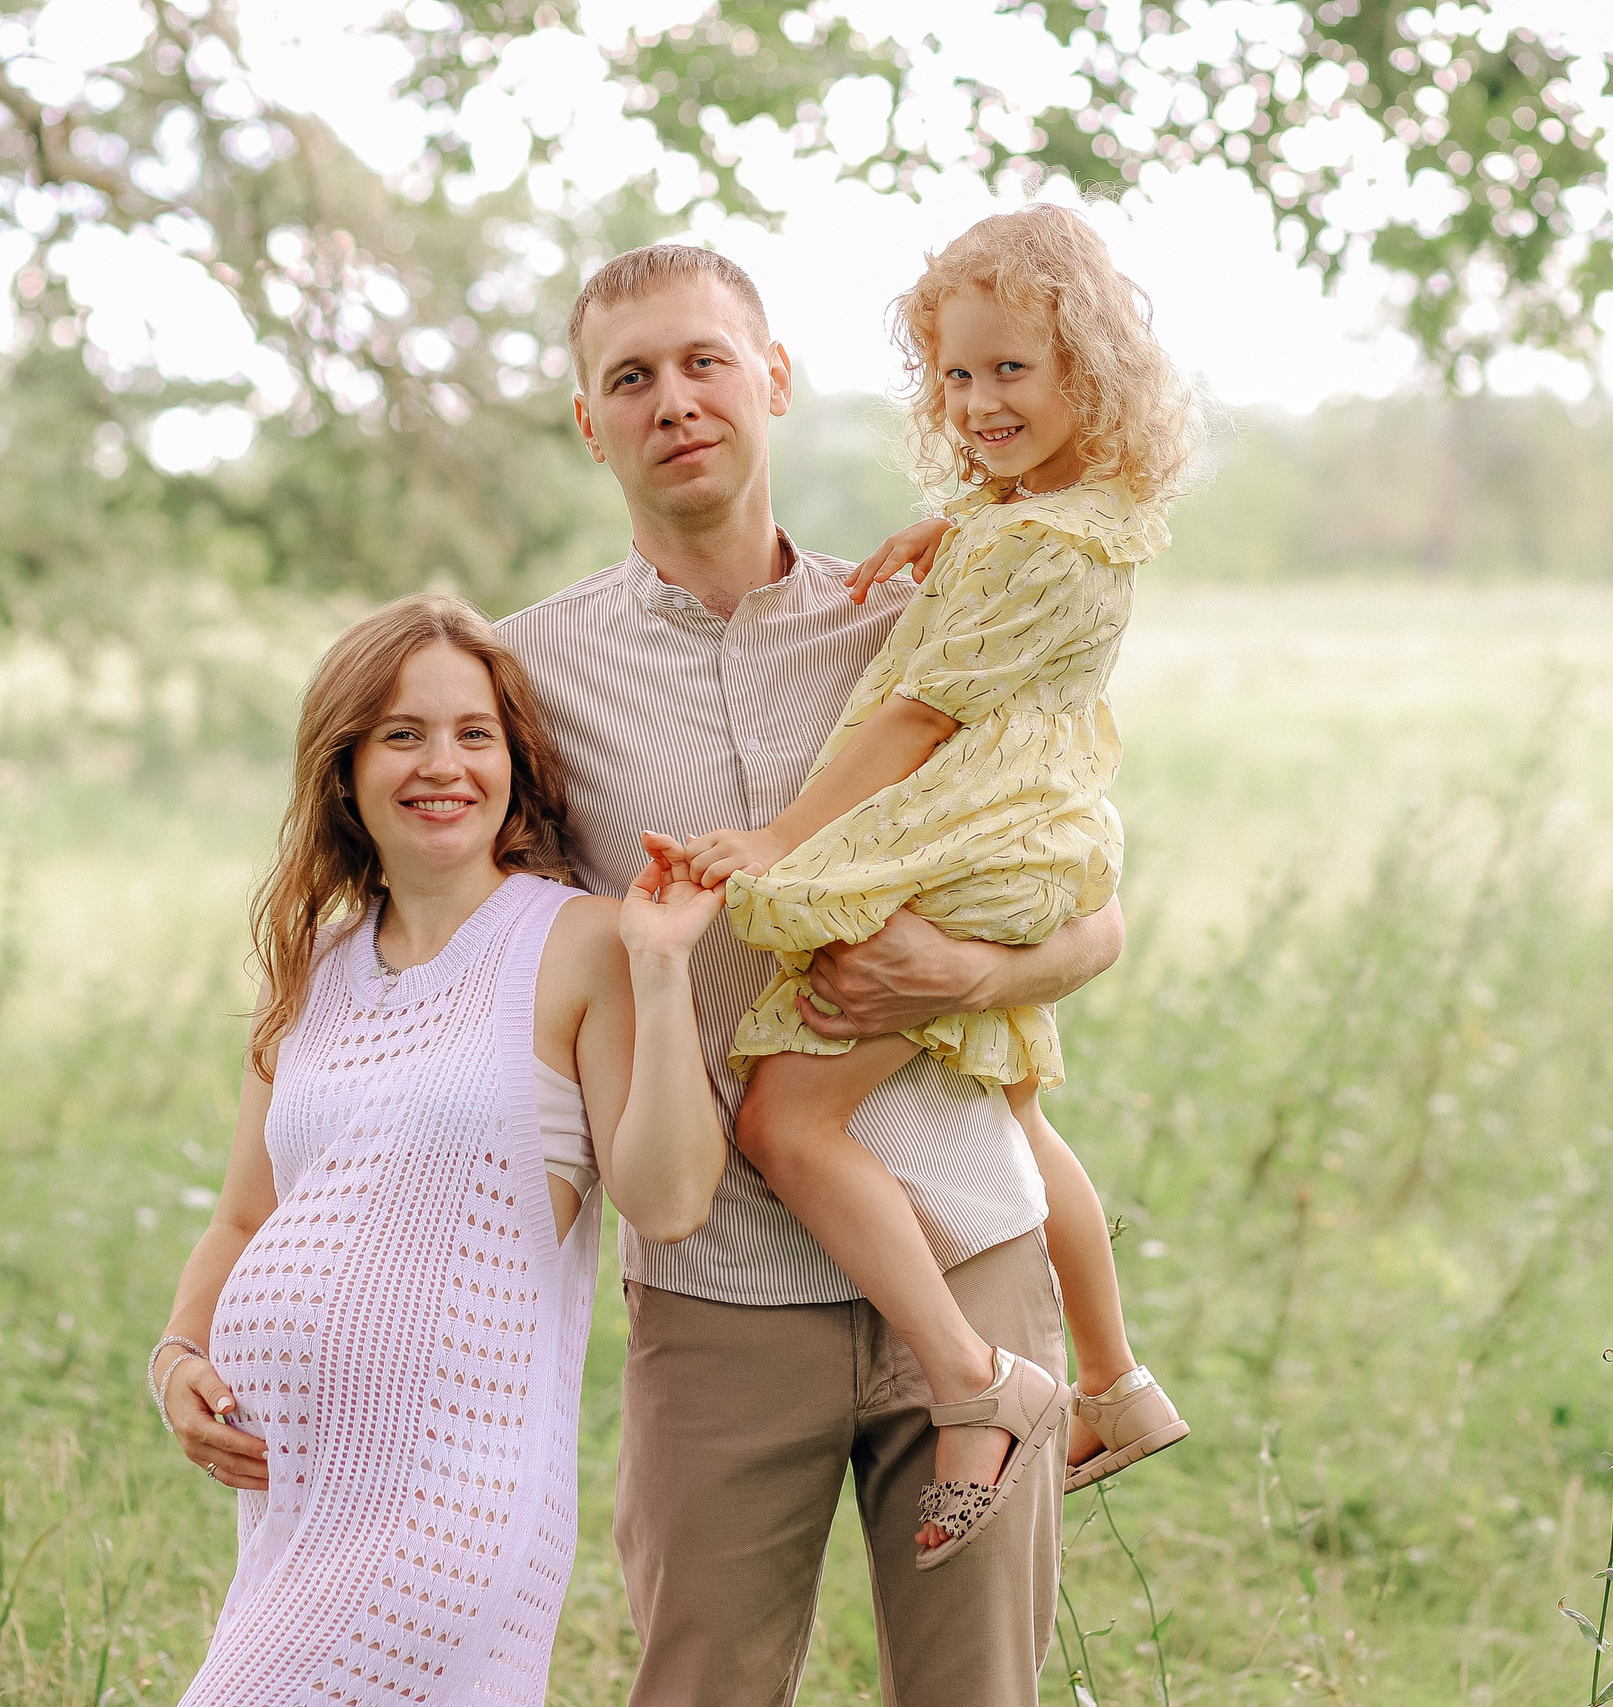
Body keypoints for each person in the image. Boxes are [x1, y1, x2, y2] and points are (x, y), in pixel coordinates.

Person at [500, 242, 1120, 1704]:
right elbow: (482, 968)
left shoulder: (924, 618)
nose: (676, 402)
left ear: (773, 380)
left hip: (966, 1267)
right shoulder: (525, 682)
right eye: (631, 378)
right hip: (718, 1295)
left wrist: (958, 967)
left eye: (707, 361)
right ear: (589, 422)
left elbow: (1093, 909)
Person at [663, 205, 1196, 1568]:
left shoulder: (1032, 544)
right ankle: (1118, 1379)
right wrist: (944, 533)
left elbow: (915, 715)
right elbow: (1004, 557)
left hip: (975, 840)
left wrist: (783, 837)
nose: (980, 400)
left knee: (787, 1115)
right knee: (1012, 1116)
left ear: (1090, 371)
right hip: (1033, 839)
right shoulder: (1069, 516)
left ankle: (974, 1378)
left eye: (1013, 370)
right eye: (957, 376)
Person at [146, 594, 730, 1707]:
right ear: (345, 768)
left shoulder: (577, 940)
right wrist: (175, 1358)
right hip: (296, 1511)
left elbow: (668, 1198)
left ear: (513, 761)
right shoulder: (312, 969)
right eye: (402, 734)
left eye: (474, 734)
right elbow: (242, 1216)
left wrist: (660, 973)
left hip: (447, 1508)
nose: (442, 765)